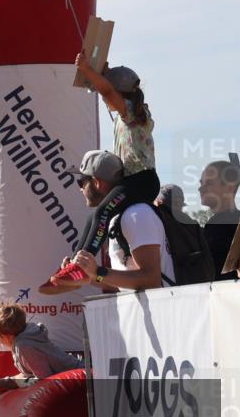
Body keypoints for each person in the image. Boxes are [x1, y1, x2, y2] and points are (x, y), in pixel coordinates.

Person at [45, 56, 160, 288]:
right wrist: (101, 74)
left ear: (120, 94)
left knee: (102, 213)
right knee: (94, 216)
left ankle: (81, 268)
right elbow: (107, 89)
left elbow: (107, 91)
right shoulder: (132, 112)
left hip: (141, 180)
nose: (107, 101)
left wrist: (88, 70)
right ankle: (74, 263)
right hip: (138, 180)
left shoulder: (130, 112)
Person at [60, 150, 175, 292]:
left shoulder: (137, 214)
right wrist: (89, 274)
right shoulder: (115, 218)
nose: (80, 189)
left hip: (165, 305)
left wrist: (98, 272)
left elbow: (151, 280)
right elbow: (121, 285)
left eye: (81, 182)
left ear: (96, 182)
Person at [0, 304, 82, 397]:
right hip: (75, 372)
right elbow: (30, 373)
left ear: (7, 336)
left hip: (77, 379)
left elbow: (44, 378)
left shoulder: (24, 345)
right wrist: (2, 383)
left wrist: (12, 383)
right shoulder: (26, 337)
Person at [199, 160, 240, 280]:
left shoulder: (220, 225)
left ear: (229, 187)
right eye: (201, 183)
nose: (200, 188)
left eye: (209, 183)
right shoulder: (214, 224)